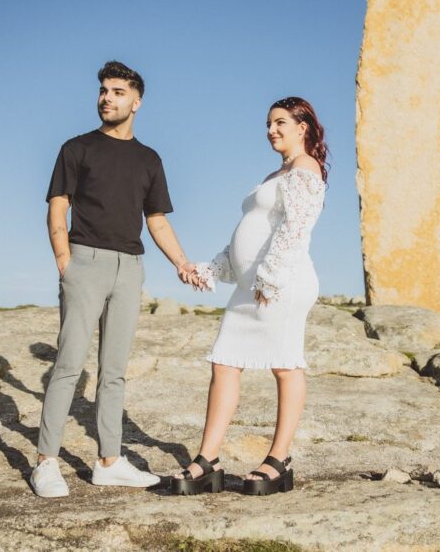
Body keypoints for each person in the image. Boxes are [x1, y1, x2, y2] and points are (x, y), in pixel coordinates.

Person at [30, 60, 204, 498]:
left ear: (137, 101)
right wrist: (64, 261)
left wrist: (182, 263)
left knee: (114, 372)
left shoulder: (149, 159)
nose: (107, 97)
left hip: (131, 268)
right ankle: (45, 462)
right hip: (84, 262)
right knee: (68, 365)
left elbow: (157, 220)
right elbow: (58, 205)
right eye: (104, 90)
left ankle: (109, 461)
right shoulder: (77, 148)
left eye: (118, 91)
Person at [170, 96, 328, 496]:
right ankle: (207, 460)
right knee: (224, 362)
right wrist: (211, 269)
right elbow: (248, 235)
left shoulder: (306, 168)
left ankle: (278, 461)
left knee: (285, 365)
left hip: (282, 283)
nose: (271, 130)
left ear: (302, 127)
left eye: (280, 123)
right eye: (268, 124)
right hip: (252, 286)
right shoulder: (277, 173)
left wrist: (270, 278)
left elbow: (296, 228)